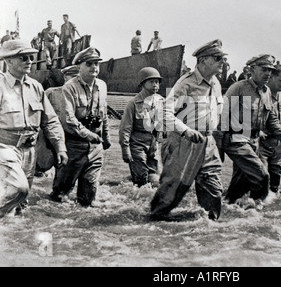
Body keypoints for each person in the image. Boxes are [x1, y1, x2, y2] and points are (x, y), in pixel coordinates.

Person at [150, 39, 226, 221]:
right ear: (202, 60)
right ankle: (151, 225)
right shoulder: (186, 84)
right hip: (184, 142)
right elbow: (164, 112)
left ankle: (209, 228)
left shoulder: (215, 83)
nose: (222, 62)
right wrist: (185, 131)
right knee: (171, 193)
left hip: (207, 143)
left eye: (222, 58)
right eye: (217, 58)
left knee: (213, 188)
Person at [0, 40, 68, 218]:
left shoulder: (36, 87)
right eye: (23, 57)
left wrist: (60, 146)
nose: (29, 60)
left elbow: (50, 120)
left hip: (30, 150)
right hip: (5, 148)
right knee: (18, 189)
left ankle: (12, 238)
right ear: (8, 61)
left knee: (21, 202)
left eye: (31, 57)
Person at [220, 54, 281, 206]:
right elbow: (222, 116)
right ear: (251, 70)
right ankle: (256, 210)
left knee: (241, 182)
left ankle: (227, 208)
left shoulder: (266, 92)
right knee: (262, 175)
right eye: (264, 69)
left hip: (253, 141)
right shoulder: (238, 88)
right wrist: (218, 147)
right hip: (237, 140)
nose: (268, 73)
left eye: (270, 70)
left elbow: (271, 118)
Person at [49, 47, 111, 206]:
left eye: (97, 63)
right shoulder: (70, 87)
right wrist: (89, 135)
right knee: (60, 195)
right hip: (73, 146)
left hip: (96, 148)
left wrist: (106, 136)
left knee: (88, 198)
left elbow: (103, 113)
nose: (94, 67)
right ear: (79, 67)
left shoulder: (102, 86)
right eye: (89, 64)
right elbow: (68, 119)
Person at [119, 67, 164, 187]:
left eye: (157, 82)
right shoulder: (133, 103)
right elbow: (125, 128)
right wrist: (125, 149)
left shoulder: (161, 101)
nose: (155, 85)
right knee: (141, 179)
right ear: (143, 84)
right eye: (151, 81)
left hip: (154, 146)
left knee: (156, 178)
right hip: (137, 146)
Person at [259, 64, 281, 193]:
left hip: (278, 145)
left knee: (275, 183)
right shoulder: (261, 95)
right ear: (272, 77)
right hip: (262, 144)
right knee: (260, 180)